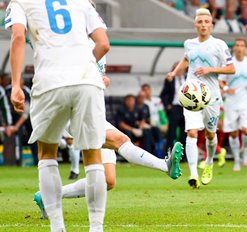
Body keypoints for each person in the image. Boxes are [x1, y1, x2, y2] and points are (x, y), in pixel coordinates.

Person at [6, 0, 111, 232]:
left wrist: (15, 85)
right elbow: (103, 43)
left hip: (50, 81)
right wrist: (85, 66)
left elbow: (17, 37)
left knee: (47, 153)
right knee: (93, 156)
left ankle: (57, 230)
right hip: (86, 80)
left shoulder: (21, 1)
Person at [35, 48, 183, 220]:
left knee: (107, 181)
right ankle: (165, 165)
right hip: (75, 111)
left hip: (94, 113)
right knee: (120, 139)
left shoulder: (99, 48)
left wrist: (99, 81)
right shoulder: (74, 43)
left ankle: (48, 196)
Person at [167, 8, 235, 188]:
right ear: (195, 24)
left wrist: (210, 70)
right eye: (200, 22)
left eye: (206, 22)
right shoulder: (189, 43)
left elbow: (231, 69)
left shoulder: (219, 45)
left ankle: (210, 161)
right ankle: (193, 174)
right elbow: (186, 59)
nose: (203, 25)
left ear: (211, 25)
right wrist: (174, 72)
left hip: (211, 96)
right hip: (191, 94)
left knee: (211, 134)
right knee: (191, 132)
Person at [219, 38, 247, 171]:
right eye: (237, 45)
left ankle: (244, 151)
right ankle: (237, 159)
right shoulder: (228, 63)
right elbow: (221, 81)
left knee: (246, 130)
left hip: (246, 102)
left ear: (245, 48)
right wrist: (226, 89)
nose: (239, 48)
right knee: (233, 133)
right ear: (234, 48)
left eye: (242, 45)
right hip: (231, 102)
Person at [160, 63, 186, 153]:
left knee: (184, 133)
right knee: (171, 133)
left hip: (186, 108)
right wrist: (167, 106)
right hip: (174, 108)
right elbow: (163, 94)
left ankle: (183, 156)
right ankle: (169, 154)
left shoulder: (187, 79)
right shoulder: (169, 80)